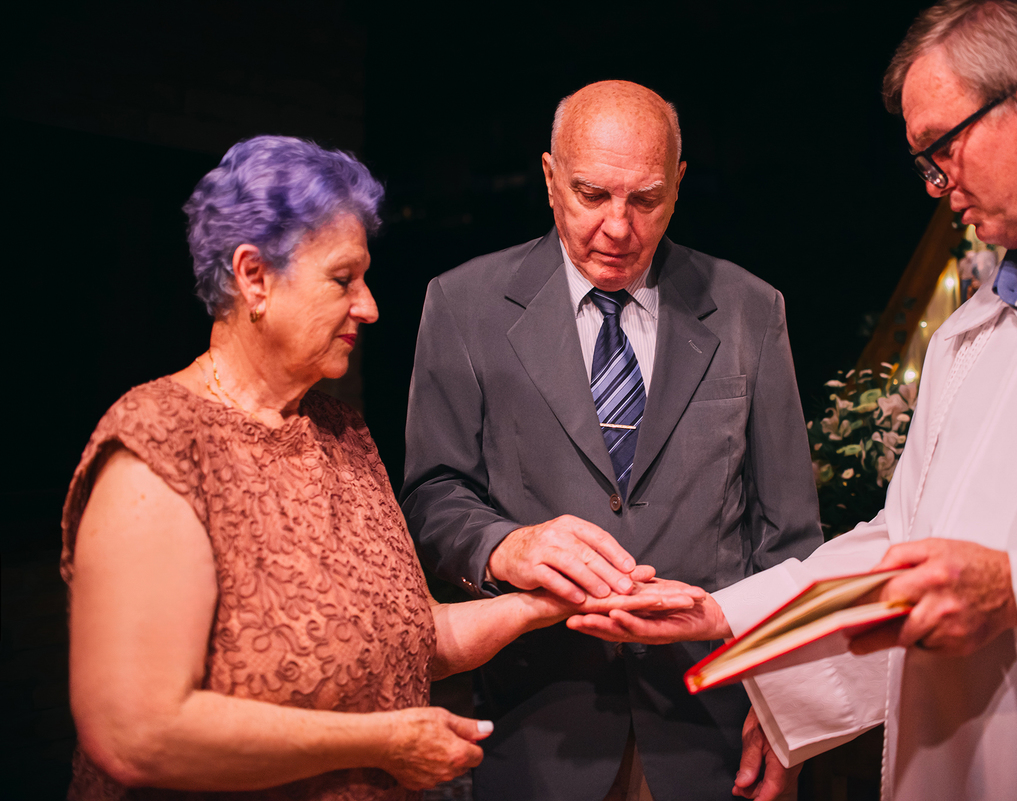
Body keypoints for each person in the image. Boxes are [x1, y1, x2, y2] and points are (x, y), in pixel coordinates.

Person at [570, 2, 1017, 799]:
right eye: (924, 164)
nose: (939, 189)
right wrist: (727, 615)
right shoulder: (969, 334)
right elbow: (900, 543)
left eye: (943, 151)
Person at [60, 135, 701, 801]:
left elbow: (413, 634)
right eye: (343, 279)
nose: (368, 306)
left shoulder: (342, 433)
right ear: (253, 276)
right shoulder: (158, 447)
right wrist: (384, 741)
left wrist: (550, 599)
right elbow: (136, 732)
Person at [400, 80, 823, 801]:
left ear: (679, 186)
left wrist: (787, 701)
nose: (619, 228)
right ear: (549, 178)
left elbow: (789, 535)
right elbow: (435, 493)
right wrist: (505, 546)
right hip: (538, 725)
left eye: (646, 200)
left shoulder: (752, 310)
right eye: (592, 195)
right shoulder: (463, 304)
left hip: (711, 732)